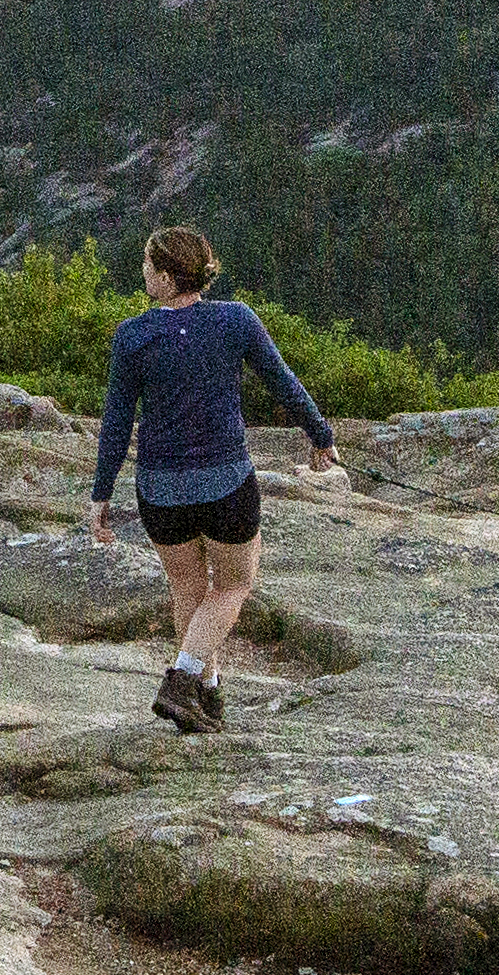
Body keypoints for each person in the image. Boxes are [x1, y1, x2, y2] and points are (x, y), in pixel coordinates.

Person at [84, 223, 338, 733]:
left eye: (147, 264)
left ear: (165, 277)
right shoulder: (235, 320)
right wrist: (321, 436)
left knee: (187, 589)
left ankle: (207, 696)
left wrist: (101, 495)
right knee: (234, 587)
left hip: (160, 489)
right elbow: (282, 382)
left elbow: (116, 421)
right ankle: (183, 679)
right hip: (226, 483)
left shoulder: (133, 335)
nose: (142, 271)